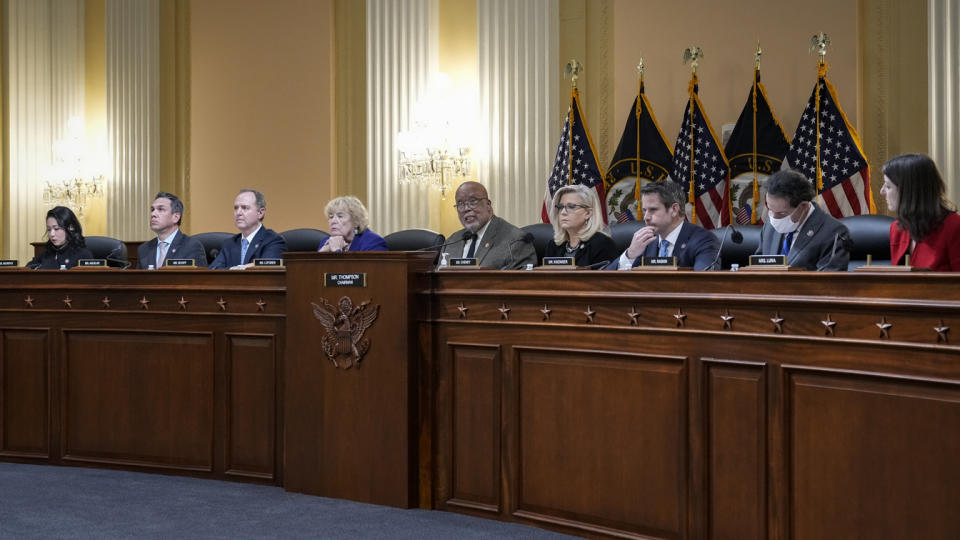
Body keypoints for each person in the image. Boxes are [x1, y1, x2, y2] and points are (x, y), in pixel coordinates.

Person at [605, 181, 719, 270]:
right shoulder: (645, 242)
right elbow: (604, 281)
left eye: (653, 210)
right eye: (645, 210)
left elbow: (704, 283)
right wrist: (630, 254)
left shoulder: (704, 240)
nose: (646, 217)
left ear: (674, 210)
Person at [754, 170, 850, 271]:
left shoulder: (835, 234)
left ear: (803, 206)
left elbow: (828, 283)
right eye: (770, 209)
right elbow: (758, 268)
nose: (774, 218)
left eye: (782, 213)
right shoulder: (769, 225)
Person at [881, 153, 960, 271]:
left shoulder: (954, 226)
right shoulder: (897, 229)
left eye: (888, 186)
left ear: (908, 190)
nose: (882, 192)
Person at [440, 181, 537, 269]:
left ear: (488, 205)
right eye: (460, 204)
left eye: (473, 201)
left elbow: (522, 284)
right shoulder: (452, 241)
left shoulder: (515, 241)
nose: (466, 208)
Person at [208, 189, 287, 269]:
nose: (238, 213)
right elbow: (213, 271)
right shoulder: (229, 244)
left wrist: (239, 269)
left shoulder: (273, 240)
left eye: (245, 208)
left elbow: (268, 268)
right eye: (236, 208)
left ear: (260, 213)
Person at [545, 184, 618, 267]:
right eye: (561, 207)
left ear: (588, 213)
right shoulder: (554, 245)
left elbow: (605, 278)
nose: (563, 212)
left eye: (571, 206)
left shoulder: (602, 244)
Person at [137, 192, 208, 269]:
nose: (153, 214)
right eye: (152, 209)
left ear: (176, 217)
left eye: (160, 209)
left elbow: (199, 279)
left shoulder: (191, 246)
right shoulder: (144, 249)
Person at [26, 206, 93, 269]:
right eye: (49, 229)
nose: (51, 234)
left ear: (71, 227)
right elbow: (27, 270)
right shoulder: (47, 253)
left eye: (56, 229)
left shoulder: (83, 255)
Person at [317, 196, 387, 252]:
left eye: (340, 216)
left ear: (356, 221)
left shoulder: (373, 242)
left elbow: (367, 270)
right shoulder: (327, 241)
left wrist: (337, 252)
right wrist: (322, 252)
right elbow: (316, 269)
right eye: (331, 217)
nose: (333, 221)